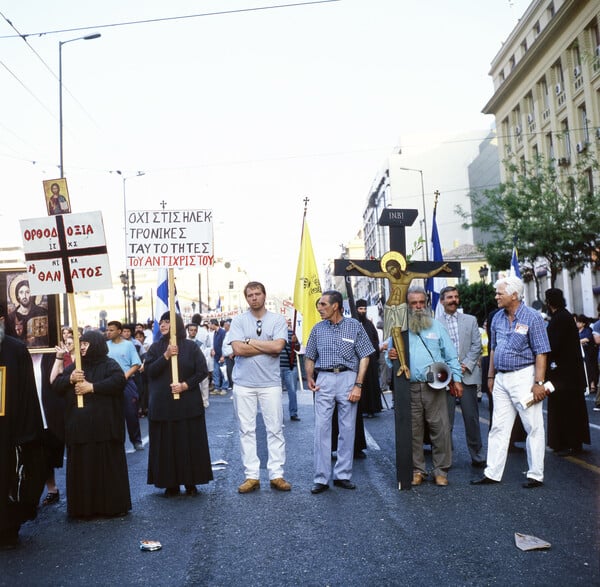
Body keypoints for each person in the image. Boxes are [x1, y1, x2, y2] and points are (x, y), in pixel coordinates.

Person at [472, 275, 551, 489]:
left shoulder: (533, 317)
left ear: (514, 295)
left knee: (532, 426)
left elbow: (541, 352)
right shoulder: (497, 317)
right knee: (498, 426)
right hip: (501, 378)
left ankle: (535, 475)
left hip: (524, 377)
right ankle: (492, 473)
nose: (496, 296)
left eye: (500, 293)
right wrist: (490, 376)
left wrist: (538, 382)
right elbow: (494, 349)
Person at [52, 330, 132, 518]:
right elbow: (56, 385)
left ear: (95, 344)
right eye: (81, 344)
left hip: (104, 429)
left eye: (86, 344)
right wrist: (70, 379)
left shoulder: (109, 364)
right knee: (84, 471)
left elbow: (119, 382)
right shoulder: (77, 366)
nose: (82, 347)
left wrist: (92, 387)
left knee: (107, 469)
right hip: (81, 430)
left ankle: (112, 506)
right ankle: (84, 509)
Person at [388, 286, 462, 487]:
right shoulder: (398, 328)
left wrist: (457, 379)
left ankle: (441, 471)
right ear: (408, 306)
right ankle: (417, 470)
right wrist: (391, 356)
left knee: (440, 429)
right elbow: (389, 358)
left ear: (427, 304)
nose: (418, 306)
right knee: (414, 431)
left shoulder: (437, 327)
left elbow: (451, 355)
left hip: (435, 386)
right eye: (414, 303)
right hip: (409, 387)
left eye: (422, 302)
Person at [304, 290, 374, 494]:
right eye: (319, 305)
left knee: (347, 428)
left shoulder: (354, 326)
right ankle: (321, 478)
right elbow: (309, 356)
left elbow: (365, 357)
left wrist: (358, 385)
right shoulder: (317, 329)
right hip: (324, 378)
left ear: (335, 306)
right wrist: (309, 376)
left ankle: (343, 475)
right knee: (321, 429)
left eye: (323, 305)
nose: (319, 308)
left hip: (347, 378)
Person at [229, 281, 291, 493]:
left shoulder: (276, 319)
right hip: (243, 383)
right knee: (246, 430)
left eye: (257, 294)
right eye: (250, 295)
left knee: (275, 429)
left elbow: (278, 347)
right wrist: (265, 346)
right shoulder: (238, 321)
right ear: (246, 298)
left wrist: (250, 342)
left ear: (265, 295)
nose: (254, 298)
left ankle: (276, 474)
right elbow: (237, 349)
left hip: (270, 383)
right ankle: (251, 476)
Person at [347, 252, 451, 378]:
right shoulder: (389, 276)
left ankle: (404, 365)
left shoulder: (409, 276)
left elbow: (428, 274)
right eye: (389, 269)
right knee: (396, 333)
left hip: (401, 307)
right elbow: (371, 273)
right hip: (392, 307)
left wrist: (441, 268)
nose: (391, 271)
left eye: (421, 302)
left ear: (399, 267)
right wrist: (356, 266)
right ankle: (403, 365)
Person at [144, 312, 213, 497]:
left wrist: (185, 385)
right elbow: (149, 372)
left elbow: (202, 371)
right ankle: (170, 483)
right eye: (161, 321)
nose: (163, 324)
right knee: (167, 444)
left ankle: (191, 481)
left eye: (167, 321)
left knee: (188, 442)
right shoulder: (156, 347)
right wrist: (165, 356)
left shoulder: (191, 347)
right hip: (163, 405)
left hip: (187, 404)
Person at [0, 304, 46, 549]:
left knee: (10, 480)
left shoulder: (15, 349)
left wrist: (26, 432)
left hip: (10, 432)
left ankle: (7, 530)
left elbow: (28, 394)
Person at [438, 286, 486, 468]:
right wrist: (450, 370)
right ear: (442, 301)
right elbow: (435, 349)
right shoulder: (434, 323)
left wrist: (465, 365)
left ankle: (478, 455)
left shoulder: (471, 320)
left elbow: (477, 346)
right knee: (445, 421)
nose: (453, 300)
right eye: (449, 297)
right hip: (445, 378)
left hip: (468, 375)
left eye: (456, 297)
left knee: (472, 419)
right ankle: (445, 459)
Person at [544, 289, 590, 456]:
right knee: (573, 408)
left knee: (564, 409)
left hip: (563, 374)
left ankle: (566, 443)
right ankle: (573, 442)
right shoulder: (566, 316)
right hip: (572, 373)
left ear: (549, 302)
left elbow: (553, 346)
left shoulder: (558, 319)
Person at [105, 320, 143, 450]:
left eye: (111, 330)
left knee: (131, 413)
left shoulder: (128, 345)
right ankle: (116, 441)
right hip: (110, 384)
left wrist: (125, 376)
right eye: (107, 330)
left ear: (119, 331)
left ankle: (136, 440)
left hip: (127, 383)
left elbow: (136, 364)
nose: (108, 332)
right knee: (113, 414)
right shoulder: (105, 346)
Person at [355, 299, 383, 417]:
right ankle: (361, 409)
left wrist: (374, 353)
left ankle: (372, 409)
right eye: (361, 309)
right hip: (358, 360)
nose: (363, 311)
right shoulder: (352, 323)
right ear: (356, 309)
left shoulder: (369, 324)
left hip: (370, 361)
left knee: (371, 385)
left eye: (364, 309)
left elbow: (375, 339)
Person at [7, 279, 48, 347]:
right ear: (17, 296)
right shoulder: (11, 317)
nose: (24, 296)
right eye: (21, 292)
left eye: (27, 292)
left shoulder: (42, 312)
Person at [280, 318, 301, 421]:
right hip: (276, 367)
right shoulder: (273, 334)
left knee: (292, 391)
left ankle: (293, 413)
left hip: (290, 366)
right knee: (275, 392)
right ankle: (278, 413)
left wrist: (296, 342)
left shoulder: (291, 333)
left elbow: (297, 349)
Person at [187, 322, 210, 408]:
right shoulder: (185, 342)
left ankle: (205, 401)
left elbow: (204, 355)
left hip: (199, 366)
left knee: (204, 384)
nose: (192, 332)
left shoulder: (200, 343)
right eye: (191, 330)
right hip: (189, 366)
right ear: (188, 331)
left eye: (194, 330)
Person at [575, 314, 597, 394]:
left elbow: (587, 339)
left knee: (589, 368)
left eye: (579, 322)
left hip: (588, 353)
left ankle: (592, 385)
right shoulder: (576, 331)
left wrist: (577, 342)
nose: (577, 323)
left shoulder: (587, 330)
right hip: (580, 353)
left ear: (583, 323)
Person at [209, 319, 228, 395]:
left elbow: (225, 345)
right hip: (216, 356)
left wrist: (223, 355)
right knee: (216, 373)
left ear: (214, 324)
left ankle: (224, 388)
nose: (209, 326)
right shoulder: (215, 333)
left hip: (222, 356)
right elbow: (214, 344)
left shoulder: (222, 332)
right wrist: (212, 350)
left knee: (224, 373)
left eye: (210, 324)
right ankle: (217, 388)